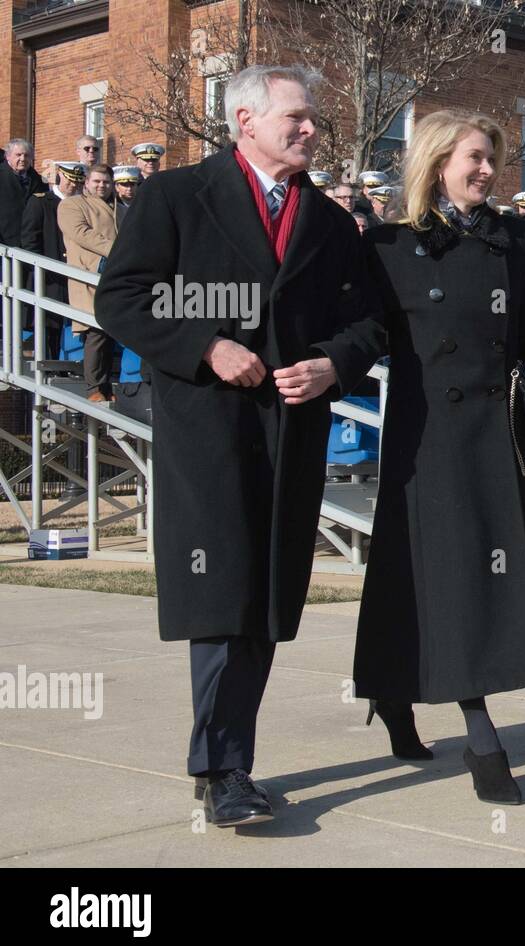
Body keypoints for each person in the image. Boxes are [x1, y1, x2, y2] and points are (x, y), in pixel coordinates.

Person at [96, 65, 387, 828]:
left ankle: (228, 759)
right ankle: (223, 767)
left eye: (314, 118)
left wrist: (335, 364)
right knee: (221, 594)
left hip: (292, 434)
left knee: (264, 599)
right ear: (245, 120)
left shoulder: (328, 221)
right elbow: (120, 295)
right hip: (209, 433)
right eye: (297, 116)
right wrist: (205, 345)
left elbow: (368, 322)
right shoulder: (174, 197)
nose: (311, 128)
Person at [352, 109, 525, 806]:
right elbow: (366, 334)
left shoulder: (509, 239)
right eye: (474, 157)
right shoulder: (391, 243)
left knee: (472, 572)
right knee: (441, 576)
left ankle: (392, 690)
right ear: (437, 161)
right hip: (430, 437)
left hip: (498, 433)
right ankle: (481, 736)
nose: (487, 171)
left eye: (493, 159)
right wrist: (325, 366)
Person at [58, 163, 119, 401]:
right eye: (97, 181)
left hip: (116, 272)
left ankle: (106, 387)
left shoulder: (117, 206)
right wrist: (118, 250)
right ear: (87, 183)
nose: (102, 186)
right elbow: (80, 233)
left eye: (105, 182)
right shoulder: (72, 204)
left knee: (111, 330)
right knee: (96, 329)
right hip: (90, 270)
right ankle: (94, 388)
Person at [21, 161, 81, 351]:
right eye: (70, 181)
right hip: (49, 274)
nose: (73, 185)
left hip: (75, 271)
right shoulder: (40, 201)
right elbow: (30, 239)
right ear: (60, 177)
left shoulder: (81, 204)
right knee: (49, 323)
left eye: (78, 182)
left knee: (74, 323)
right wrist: (41, 268)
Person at [1, 138, 40, 247]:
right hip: (5, 244)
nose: (23, 159)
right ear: (7, 156)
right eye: (18, 155)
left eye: (26, 155)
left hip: (31, 245)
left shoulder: (39, 182)